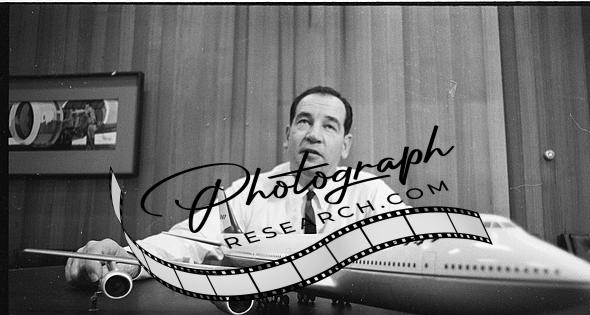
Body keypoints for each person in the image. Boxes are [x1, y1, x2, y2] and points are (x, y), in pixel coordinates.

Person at [65, 86, 406, 287]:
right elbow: (188, 240)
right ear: (288, 135)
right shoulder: (246, 192)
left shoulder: (371, 192)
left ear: (345, 145)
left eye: (329, 126)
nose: (314, 135)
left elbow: (415, 249)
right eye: (304, 122)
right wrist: (126, 258)